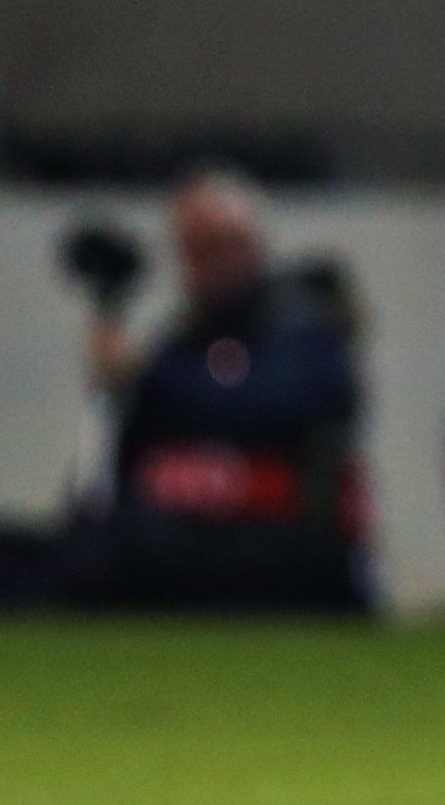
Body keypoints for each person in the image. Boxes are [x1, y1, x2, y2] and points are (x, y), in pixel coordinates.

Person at [85, 170, 369, 609]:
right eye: (193, 251)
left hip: (280, 548)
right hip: (175, 546)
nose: (206, 265)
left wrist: (146, 378)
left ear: (252, 246)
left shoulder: (302, 327)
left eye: (218, 246)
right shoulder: (182, 341)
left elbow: (267, 406)